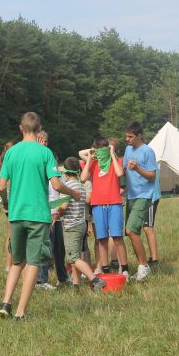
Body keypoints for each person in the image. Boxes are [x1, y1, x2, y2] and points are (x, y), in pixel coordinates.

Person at [0, 112, 80, 320]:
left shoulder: (11, 153)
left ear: (20, 128)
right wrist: (73, 193)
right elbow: (56, 184)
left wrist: (7, 205)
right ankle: (20, 312)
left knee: (18, 261)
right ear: (39, 128)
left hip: (16, 214)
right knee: (33, 262)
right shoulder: (45, 153)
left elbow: (1, 185)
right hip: (38, 215)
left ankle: (6, 303)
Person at [80, 136, 129, 278]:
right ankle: (105, 269)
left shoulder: (116, 161)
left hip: (114, 203)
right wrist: (90, 156)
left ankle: (124, 268)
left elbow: (120, 173)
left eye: (104, 148)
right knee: (101, 239)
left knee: (117, 237)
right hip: (98, 205)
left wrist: (112, 153)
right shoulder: (94, 163)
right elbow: (83, 178)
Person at [57, 157, 106, 290]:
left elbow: (64, 206)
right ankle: (76, 285)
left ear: (65, 173)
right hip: (81, 224)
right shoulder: (81, 185)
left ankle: (95, 280)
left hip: (71, 226)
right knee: (76, 256)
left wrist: (56, 211)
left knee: (73, 258)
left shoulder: (67, 187)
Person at [123, 121, 157, 281]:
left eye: (130, 136)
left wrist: (138, 169)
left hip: (144, 196)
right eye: (126, 136)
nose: (127, 139)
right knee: (130, 233)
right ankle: (142, 266)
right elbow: (122, 171)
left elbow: (152, 176)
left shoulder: (148, 152)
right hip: (130, 196)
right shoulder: (128, 149)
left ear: (139, 136)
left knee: (131, 230)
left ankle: (144, 266)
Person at [36, 131, 70, 289]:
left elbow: (61, 188)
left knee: (59, 249)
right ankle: (41, 280)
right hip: (45, 214)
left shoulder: (53, 167)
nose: (44, 144)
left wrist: (61, 209)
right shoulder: (36, 166)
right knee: (45, 249)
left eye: (46, 142)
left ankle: (63, 277)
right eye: (41, 141)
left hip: (57, 214)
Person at [0, 140, 15, 273]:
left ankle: (9, 265)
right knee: (12, 235)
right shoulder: (9, 166)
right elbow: (2, 188)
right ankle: (9, 265)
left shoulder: (4, 165)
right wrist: (6, 203)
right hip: (12, 204)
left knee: (11, 235)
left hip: (9, 205)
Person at [144, 164, 160, 268]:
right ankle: (152, 258)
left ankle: (154, 260)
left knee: (148, 228)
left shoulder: (147, 158)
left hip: (150, 198)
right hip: (146, 197)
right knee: (147, 227)